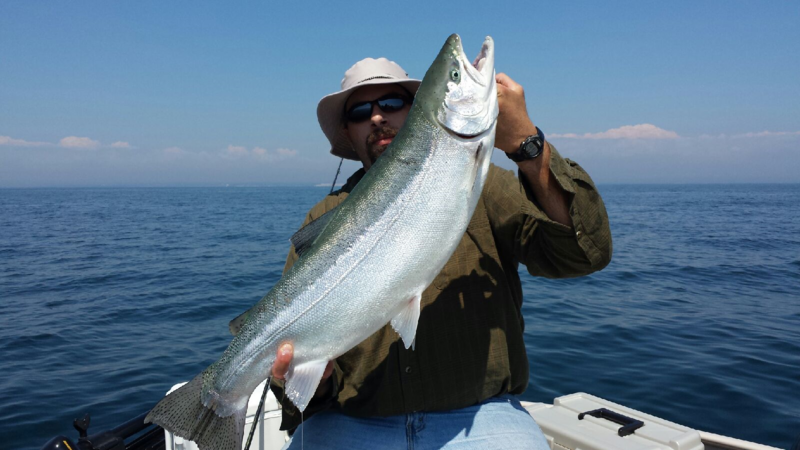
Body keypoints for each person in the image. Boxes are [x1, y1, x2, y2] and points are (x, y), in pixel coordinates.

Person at [267, 57, 612, 448]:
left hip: (480, 417)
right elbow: (297, 388)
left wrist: (526, 145)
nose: (377, 116)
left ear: (418, 111)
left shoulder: (481, 185)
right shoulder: (323, 220)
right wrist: (308, 381)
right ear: (347, 129)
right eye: (360, 111)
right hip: (352, 420)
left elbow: (584, 253)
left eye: (392, 103)